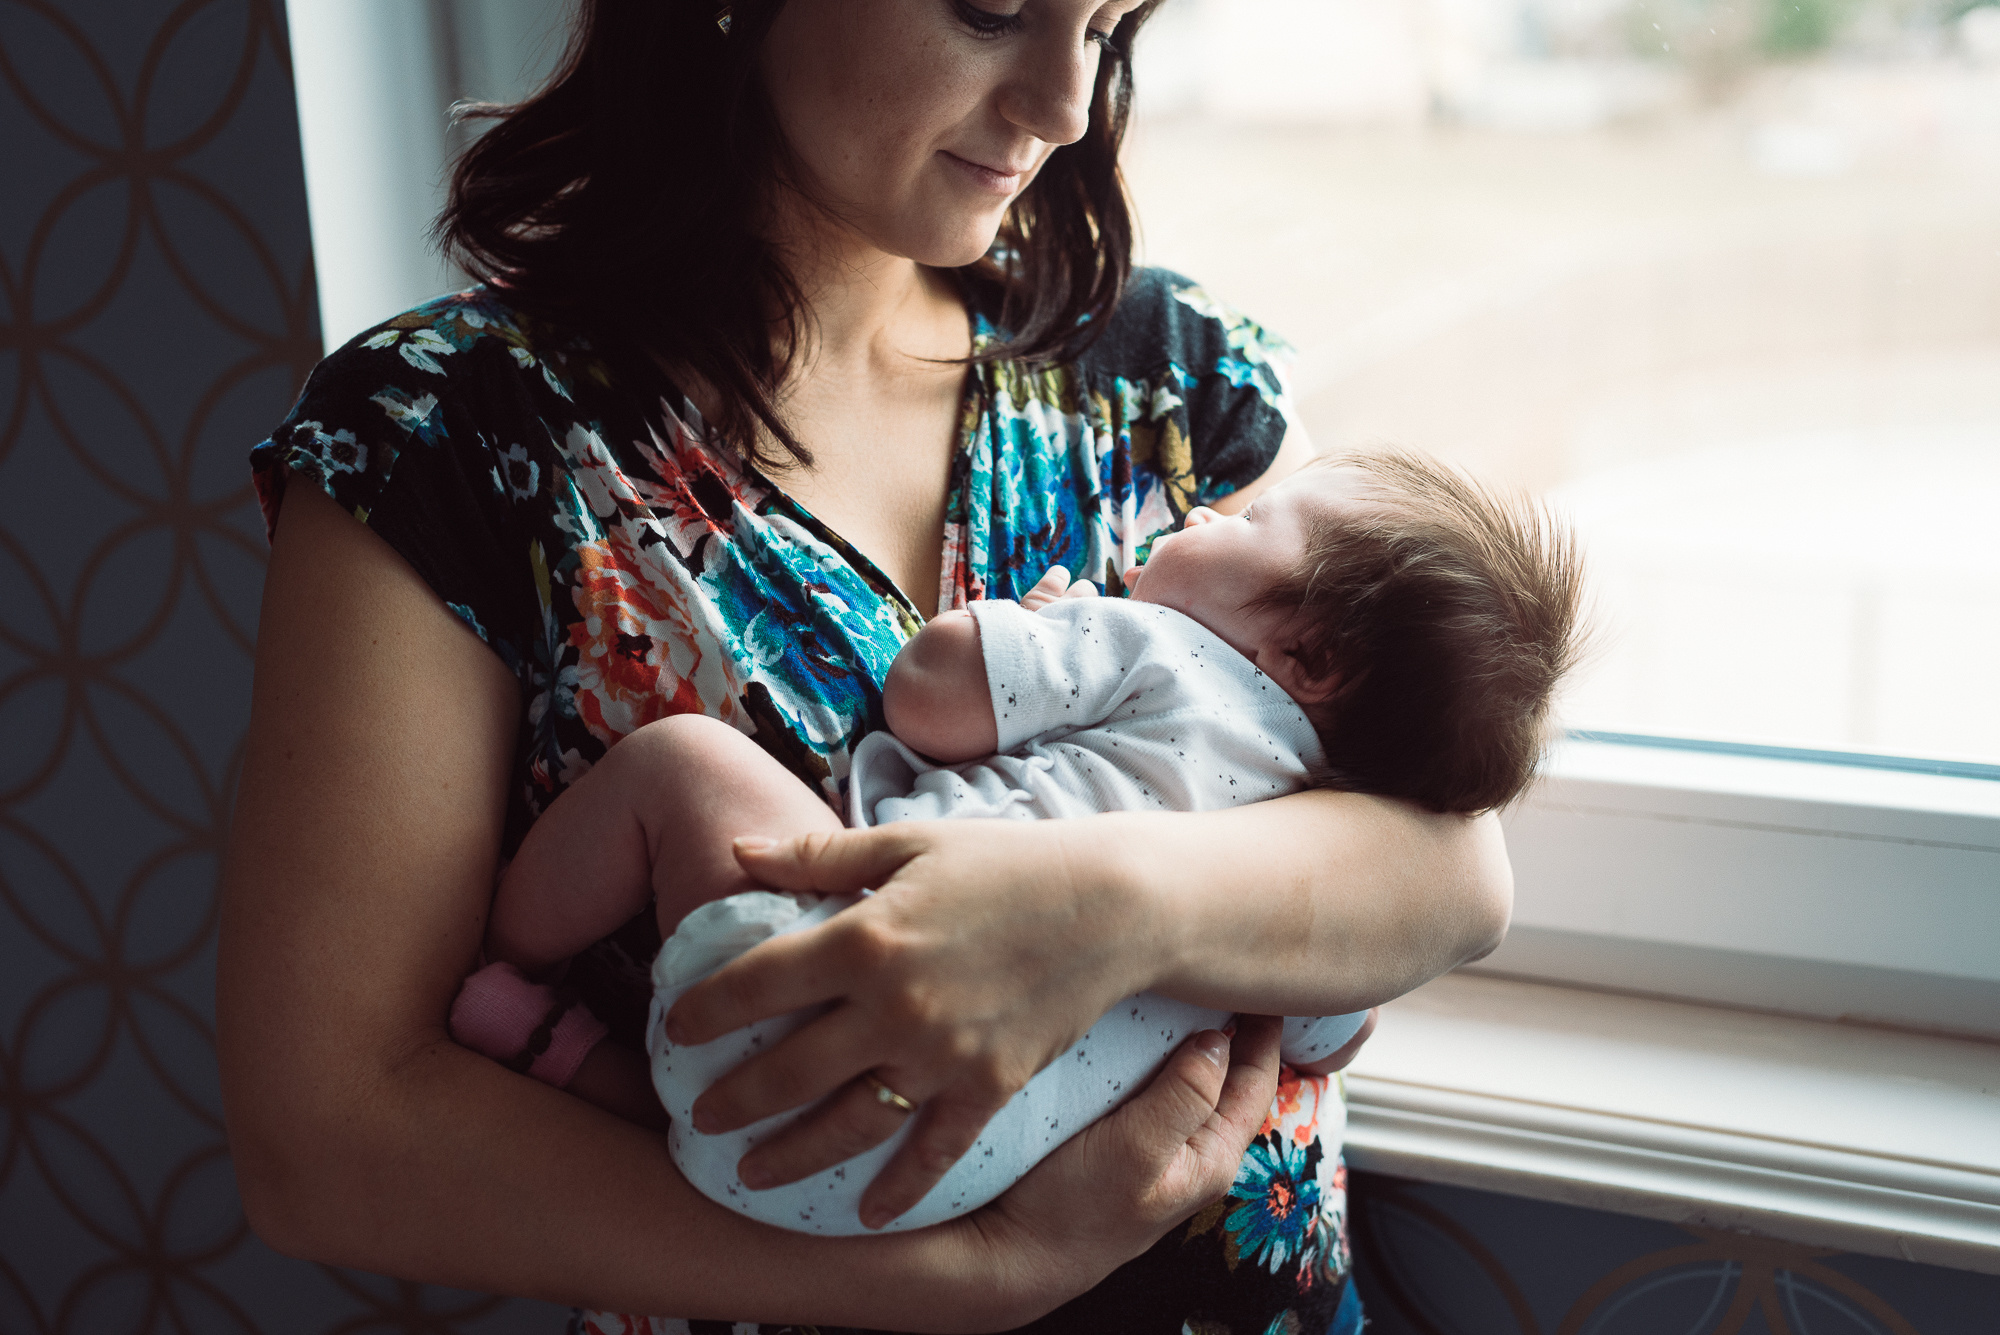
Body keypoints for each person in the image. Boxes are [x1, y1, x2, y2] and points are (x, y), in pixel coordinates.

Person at [216, 2, 1515, 1332]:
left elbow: (1454, 872)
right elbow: (330, 1142)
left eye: (1109, 23)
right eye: (995, 10)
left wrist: (1090, 909)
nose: (1068, 103)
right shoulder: (448, 434)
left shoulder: (1168, 378)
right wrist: (976, 1273)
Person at [452, 450, 1578, 1236]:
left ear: (1312, 659)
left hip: (824, 988)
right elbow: (1333, 1029)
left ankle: (500, 955)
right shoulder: (1320, 835)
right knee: (747, 1142)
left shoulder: (1153, 648)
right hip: (949, 1174)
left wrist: (1037, 624)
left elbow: (928, 698)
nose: (1202, 516)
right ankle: (563, 1052)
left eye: (1244, 524)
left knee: (681, 767)